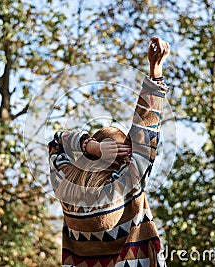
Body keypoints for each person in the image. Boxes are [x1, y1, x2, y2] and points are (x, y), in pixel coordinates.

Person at [48, 37, 170, 267]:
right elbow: (145, 133)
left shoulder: (67, 187)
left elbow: (57, 142)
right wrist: (156, 71)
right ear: (125, 155)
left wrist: (91, 146)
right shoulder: (127, 181)